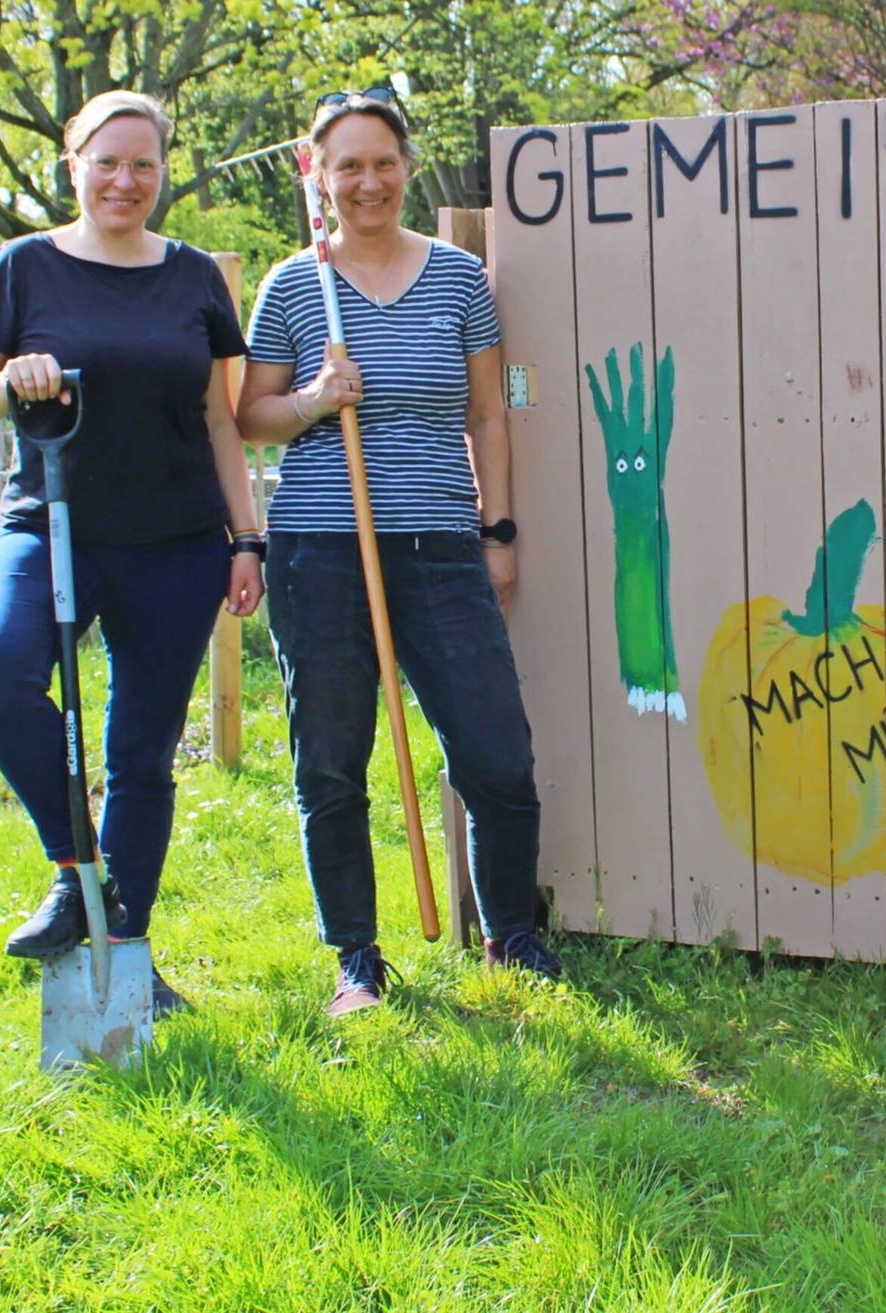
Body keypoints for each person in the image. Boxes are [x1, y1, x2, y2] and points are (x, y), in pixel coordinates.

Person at [0, 90, 264, 1015]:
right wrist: (9, 377)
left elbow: (219, 420)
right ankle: (76, 866)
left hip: (175, 544)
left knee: (140, 754)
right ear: (73, 164)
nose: (126, 180)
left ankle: (128, 959)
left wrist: (247, 540)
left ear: (163, 173)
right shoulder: (23, 267)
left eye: (145, 165)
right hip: (49, 524)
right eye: (108, 161)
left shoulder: (196, 275)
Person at [237, 89, 555, 1016]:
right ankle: (357, 961)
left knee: (496, 750)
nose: (367, 181)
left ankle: (511, 936)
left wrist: (498, 529)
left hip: (440, 546)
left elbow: (489, 414)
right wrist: (311, 399)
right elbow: (250, 416)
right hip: (320, 551)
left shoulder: (459, 279)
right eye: (348, 165)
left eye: (383, 161)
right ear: (321, 175)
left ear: (408, 166)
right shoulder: (296, 285)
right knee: (330, 760)